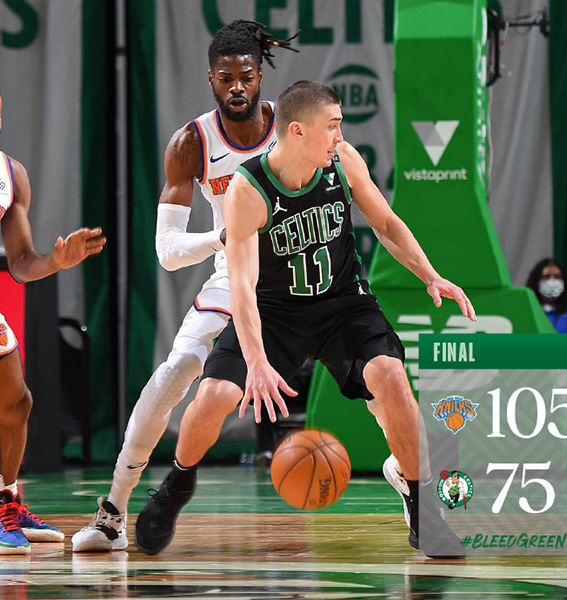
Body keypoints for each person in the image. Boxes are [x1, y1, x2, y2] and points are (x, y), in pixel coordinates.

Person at [134, 80, 478, 558]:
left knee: (393, 379)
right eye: (332, 126)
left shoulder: (343, 161)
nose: (341, 135)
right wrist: (256, 361)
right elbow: (241, 286)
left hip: (342, 304)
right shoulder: (247, 189)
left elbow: (386, 223)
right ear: (297, 131)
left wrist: (431, 275)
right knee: (214, 396)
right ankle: (177, 484)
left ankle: (423, 506)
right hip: (274, 312)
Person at [71, 20, 299, 552]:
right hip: (233, 277)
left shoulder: (292, 127)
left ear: (261, 77)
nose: (237, 87)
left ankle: (408, 481)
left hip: (297, 281)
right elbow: (168, 252)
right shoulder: (191, 143)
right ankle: (113, 511)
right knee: (175, 373)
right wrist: (223, 235)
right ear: (210, 79)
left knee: (372, 371)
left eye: (246, 76)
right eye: (225, 77)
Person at [0, 92, 106, 554]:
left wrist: (56, 262)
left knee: (16, 402)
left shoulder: (10, 174)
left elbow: (21, 262)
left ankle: (5, 503)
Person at [526, 257, 567, 333]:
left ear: (564, 283)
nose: (552, 282)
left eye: (557, 277)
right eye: (546, 277)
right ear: (536, 282)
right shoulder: (528, 313)